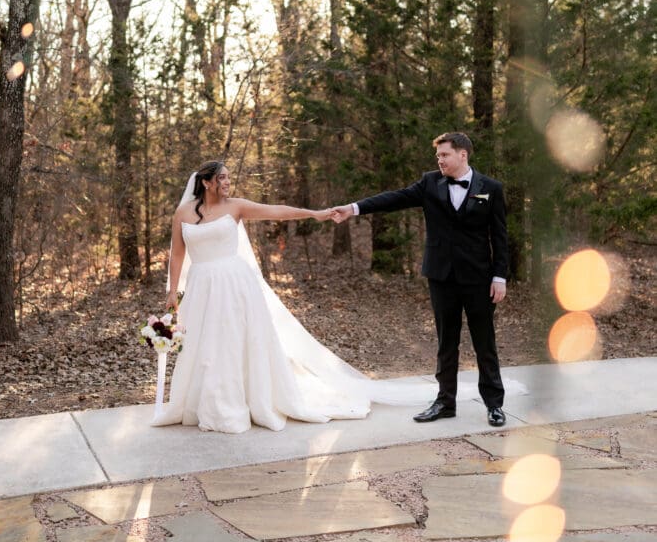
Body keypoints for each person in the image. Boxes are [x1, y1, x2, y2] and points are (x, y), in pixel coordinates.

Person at [152, 161, 434, 434]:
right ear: (205, 182)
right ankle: (205, 403)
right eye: (221, 178)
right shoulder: (184, 213)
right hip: (201, 286)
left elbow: (278, 212)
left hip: (234, 284)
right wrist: (172, 291)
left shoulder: (236, 206)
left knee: (232, 341)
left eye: (227, 177)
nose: (227, 182)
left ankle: (235, 403)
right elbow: (177, 255)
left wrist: (314, 214)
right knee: (205, 345)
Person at [332, 132, 509, 427]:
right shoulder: (429, 183)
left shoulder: (490, 188)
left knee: (484, 342)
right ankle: (444, 402)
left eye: (444, 155)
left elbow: (500, 237)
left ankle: (494, 404)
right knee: (445, 342)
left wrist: (499, 276)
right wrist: (354, 208)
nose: (439, 160)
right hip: (441, 276)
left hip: (479, 278)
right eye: (437, 156)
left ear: (462, 155)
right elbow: (395, 198)